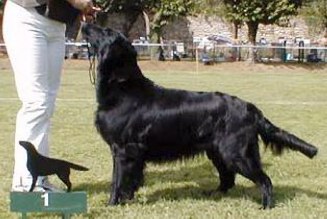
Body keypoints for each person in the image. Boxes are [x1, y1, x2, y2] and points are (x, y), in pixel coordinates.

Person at [3, 0, 99, 192]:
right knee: (36, 102)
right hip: (27, 17)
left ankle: (41, 180)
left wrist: (82, 8)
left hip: (56, 25)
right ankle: (25, 181)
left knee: (46, 104)